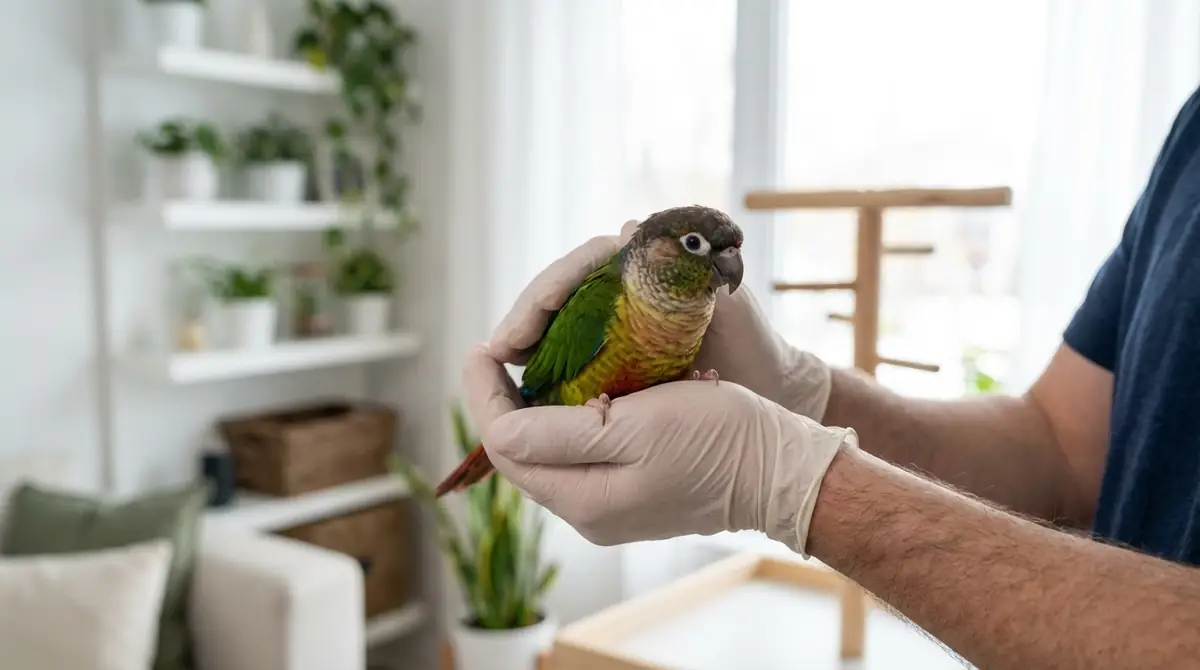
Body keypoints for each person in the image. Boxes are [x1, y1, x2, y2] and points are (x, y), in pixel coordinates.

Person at [459, 86, 1200, 669]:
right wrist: (801, 393)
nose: (722, 266)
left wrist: (799, 483)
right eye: (694, 246)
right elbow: (1065, 451)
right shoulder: (1188, 136)